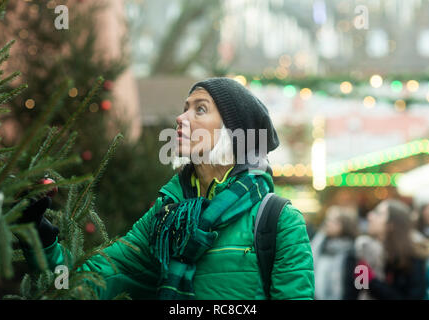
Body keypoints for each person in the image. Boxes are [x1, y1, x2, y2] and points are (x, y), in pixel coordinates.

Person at [19, 77, 315, 300]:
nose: (180, 118)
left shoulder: (280, 222)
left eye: (200, 109)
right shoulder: (164, 220)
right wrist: (39, 234)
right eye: (184, 109)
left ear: (234, 134)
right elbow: (83, 284)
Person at [354, 199, 429, 300]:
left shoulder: (413, 257)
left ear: (391, 225)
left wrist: (371, 281)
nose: (370, 216)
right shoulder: (367, 250)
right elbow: (359, 289)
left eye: (378, 213)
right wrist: (362, 280)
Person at [311, 206, 358, 300]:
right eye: (327, 219)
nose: (328, 223)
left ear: (345, 225)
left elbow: (360, 286)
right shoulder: (320, 246)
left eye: (334, 221)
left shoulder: (354, 252)